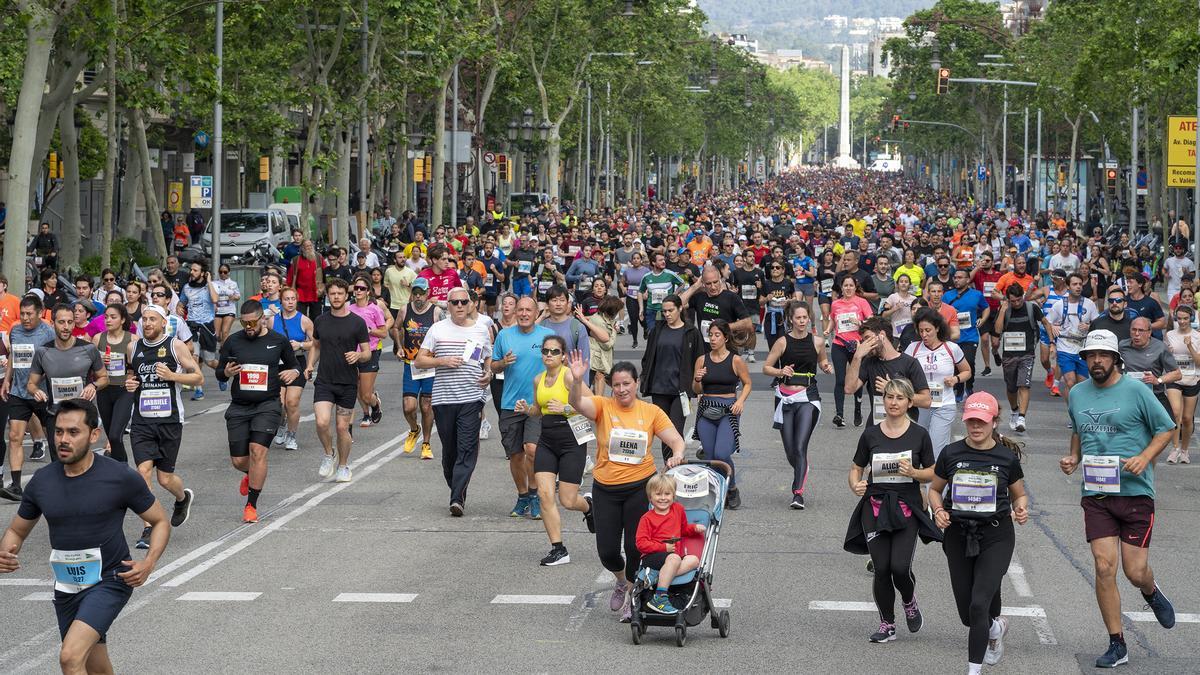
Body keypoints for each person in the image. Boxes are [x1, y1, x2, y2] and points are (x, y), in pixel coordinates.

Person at [0, 399, 170, 675]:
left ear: (94, 435)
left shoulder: (119, 477)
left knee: (70, 657)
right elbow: (17, 530)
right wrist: (7, 551)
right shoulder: (42, 481)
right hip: (67, 586)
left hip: (110, 581)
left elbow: (160, 520)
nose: (63, 439)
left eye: (73, 432)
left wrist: (148, 562)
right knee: (95, 665)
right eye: (58, 431)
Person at [1061, 330, 1177, 669]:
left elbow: (1166, 428)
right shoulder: (1077, 394)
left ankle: (1151, 591)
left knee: (1135, 570)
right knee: (1103, 565)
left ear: (1115, 358)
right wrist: (1073, 458)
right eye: (1090, 356)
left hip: (1135, 491)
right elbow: (1077, 430)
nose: (1096, 361)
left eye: (1103, 355)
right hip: (1096, 493)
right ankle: (1117, 643)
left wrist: (1144, 456)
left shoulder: (1136, 390)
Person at [566, 355, 686, 623]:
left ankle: (632, 597)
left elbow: (676, 440)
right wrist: (576, 380)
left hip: (640, 488)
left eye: (626, 384)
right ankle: (621, 580)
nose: (621, 389)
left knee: (634, 547)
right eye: (616, 385)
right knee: (608, 551)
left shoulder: (650, 412)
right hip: (605, 489)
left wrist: (677, 454)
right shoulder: (602, 406)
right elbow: (576, 403)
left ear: (637, 383)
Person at [928, 392, 1029, 675]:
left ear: (994, 422)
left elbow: (1019, 495)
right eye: (971, 421)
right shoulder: (951, 453)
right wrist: (938, 511)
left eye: (982, 422)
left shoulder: (1005, 458)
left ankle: (973, 670)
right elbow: (935, 490)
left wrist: (1021, 510)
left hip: (996, 535)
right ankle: (996, 627)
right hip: (958, 535)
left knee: (979, 604)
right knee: (968, 615)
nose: (975, 427)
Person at [844, 378, 940, 643]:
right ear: (883, 400)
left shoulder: (919, 434)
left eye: (899, 398)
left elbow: (933, 472)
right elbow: (856, 467)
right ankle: (887, 623)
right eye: (889, 397)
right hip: (874, 507)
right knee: (882, 568)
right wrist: (856, 485)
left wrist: (914, 472)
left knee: (899, 568)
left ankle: (909, 600)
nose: (893, 402)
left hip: (906, 507)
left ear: (910, 402)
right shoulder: (871, 434)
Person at [216, 300, 300, 523]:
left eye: (252, 322)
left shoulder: (278, 341)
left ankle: (251, 505)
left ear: (262, 318)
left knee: (257, 451)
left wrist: (293, 373)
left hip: (268, 405)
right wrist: (225, 372)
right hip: (239, 406)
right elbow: (219, 374)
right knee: (238, 460)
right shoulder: (233, 341)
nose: (248, 327)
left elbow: (295, 366)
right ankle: (250, 475)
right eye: (244, 323)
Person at [513, 335, 594, 566]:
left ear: (563, 356)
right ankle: (558, 549)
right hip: (547, 440)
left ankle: (588, 506)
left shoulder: (569, 376)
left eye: (555, 351)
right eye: (546, 351)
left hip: (571, 440)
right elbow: (539, 410)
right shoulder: (538, 379)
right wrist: (526, 409)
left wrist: (568, 407)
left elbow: (594, 404)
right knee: (545, 494)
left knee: (567, 500)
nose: (549, 355)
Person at [126, 304, 202, 549]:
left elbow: (197, 377)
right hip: (141, 421)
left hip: (169, 420)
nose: (147, 323)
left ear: (162, 323)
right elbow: (131, 376)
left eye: (152, 319)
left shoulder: (175, 346)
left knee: (165, 478)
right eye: (144, 319)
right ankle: (149, 527)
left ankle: (182, 498)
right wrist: (130, 384)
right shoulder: (133, 347)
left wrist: (173, 376)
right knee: (143, 472)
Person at [413, 286, 493, 516]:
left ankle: (457, 498)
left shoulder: (480, 330)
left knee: (467, 448)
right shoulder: (437, 330)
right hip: (444, 399)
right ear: (448, 306)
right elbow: (419, 361)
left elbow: (487, 356)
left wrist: (487, 373)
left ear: (470, 304)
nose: (459, 306)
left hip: (472, 397)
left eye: (463, 302)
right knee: (450, 452)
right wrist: (443, 361)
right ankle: (457, 489)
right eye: (454, 302)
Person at [764, 301, 832, 510]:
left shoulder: (818, 342)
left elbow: (821, 361)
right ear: (791, 319)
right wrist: (780, 371)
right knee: (790, 450)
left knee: (801, 446)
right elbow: (766, 367)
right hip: (784, 398)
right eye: (798, 318)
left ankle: (798, 493)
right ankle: (801, 468)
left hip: (808, 398)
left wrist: (825, 366)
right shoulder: (782, 342)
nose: (802, 321)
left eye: (805, 318)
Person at [492, 296, 554, 519]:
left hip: (537, 404)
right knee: (516, 455)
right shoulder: (504, 335)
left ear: (537, 312)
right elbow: (492, 365)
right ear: (515, 312)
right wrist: (502, 363)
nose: (524, 313)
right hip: (510, 403)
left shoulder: (546, 336)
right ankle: (523, 495)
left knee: (532, 449)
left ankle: (536, 495)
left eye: (529, 310)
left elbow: (557, 365)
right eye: (520, 310)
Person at [305, 278, 371, 483]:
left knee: (343, 428)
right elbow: (316, 345)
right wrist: (309, 365)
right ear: (328, 296)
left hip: (347, 382)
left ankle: (343, 465)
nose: (336, 297)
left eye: (340, 294)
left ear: (346, 296)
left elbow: (367, 352)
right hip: (325, 380)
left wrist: (358, 356)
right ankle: (328, 454)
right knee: (322, 422)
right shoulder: (321, 320)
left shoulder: (357, 322)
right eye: (332, 294)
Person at [27, 304, 110, 463]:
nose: (66, 327)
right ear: (53, 323)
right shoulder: (43, 352)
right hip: (55, 415)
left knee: (81, 462)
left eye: (70, 322)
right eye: (61, 322)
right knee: (58, 463)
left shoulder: (88, 349)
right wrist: (35, 391)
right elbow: (31, 384)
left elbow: (104, 378)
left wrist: (93, 385)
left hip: (81, 415)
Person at [691, 319, 751, 509]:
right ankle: (721, 489)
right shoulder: (702, 359)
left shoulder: (735, 360)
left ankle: (731, 488)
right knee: (710, 455)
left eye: (717, 335)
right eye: (711, 335)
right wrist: (698, 379)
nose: (713, 339)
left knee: (721, 453)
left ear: (725, 338)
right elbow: (696, 389)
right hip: (706, 408)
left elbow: (748, 383)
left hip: (728, 409)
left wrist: (740, 401)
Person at [0, 296, 55, 499]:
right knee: (15, 436)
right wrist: (7, 380)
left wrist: (37, 382)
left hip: (41, 393)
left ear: (39, 313)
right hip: (18, 393)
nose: (24, 318)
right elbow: (14, 355)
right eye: (22, 313)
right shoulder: (15, 330)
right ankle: (15, 486)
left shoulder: (48, 331)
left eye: (29, 314)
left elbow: (53, 360)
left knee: (54, 436)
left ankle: (64, 479)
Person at [639, 295, 701, 460]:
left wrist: (699, 387)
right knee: (664, 431)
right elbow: (647, 357)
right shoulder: (657, 330)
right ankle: (670, 467)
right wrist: (644, 377)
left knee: (675, 429)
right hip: (659, 388)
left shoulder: (691, 332)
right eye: (664, 311)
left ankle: (675, 463)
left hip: (682, 390)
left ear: (680, 309)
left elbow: (699, 360)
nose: (667, 314)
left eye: (670, 310)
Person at [635, 472, 705, 615]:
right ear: (650, 497)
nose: (663, 498)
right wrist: (663, 547)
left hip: (672, 559)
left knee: (694, 560)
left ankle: (657, 578)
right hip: (652, 557)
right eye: (658, 494)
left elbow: (683, 529)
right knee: (674, 558)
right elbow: (641, 543)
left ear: (673, 496)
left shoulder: (678, 509)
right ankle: (660, 597)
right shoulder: (647, 518)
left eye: (667, 494)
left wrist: (694, 528)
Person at [844, 316, 932, 427]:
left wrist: (892, 390)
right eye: (863, 340)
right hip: (876, 427)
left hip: (904, 429)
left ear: (882, 335)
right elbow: (849, 388)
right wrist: (857, 356)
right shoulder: (869, 362)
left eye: (867, 338)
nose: (865, 344)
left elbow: (926, 401)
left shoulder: (910, 363)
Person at [993, 283, 1054, 433]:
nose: (1016, 303)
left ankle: (1021, 417)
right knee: (1011, 387)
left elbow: (1046, 323)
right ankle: (1014, 410)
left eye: (1019, 300)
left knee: (1024, 385)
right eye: (1013, 301)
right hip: (1009, 355)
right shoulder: (1005, 310)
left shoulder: (1031, 308)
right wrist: (1003, 310)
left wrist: (1052, 342)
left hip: (1027, 354)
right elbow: (997, 330)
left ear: (1022, 297)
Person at [399, 278, 440, 460]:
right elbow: (396, 328)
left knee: (426, 406)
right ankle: (414, 429)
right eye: (415, 293)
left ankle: (426, 443)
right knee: (409, 407)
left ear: (428, 293)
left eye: (421, 293)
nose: (418, 297)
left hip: (429, 365)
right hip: (411, 365)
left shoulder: (436, 312)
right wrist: (399, 346)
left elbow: (443, 334)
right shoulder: (405, 310)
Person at [1045, 272, 1099, 411]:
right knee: (1070, 382)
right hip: (1065, 348)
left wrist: (1089, 326)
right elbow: (1047, 322)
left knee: (1082, 385)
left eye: (1080, 284)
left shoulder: (1090, 304)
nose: (1078, 287)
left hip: (1082, 349)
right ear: (1068, 286)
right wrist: (1053, 333)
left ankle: (1079, 411)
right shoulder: (1059, 305)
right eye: (1075, 284)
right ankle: (1074, 414)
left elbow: (1097, 323)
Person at [825, 275, 874, 428]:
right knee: (840, 380)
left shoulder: (862, 302)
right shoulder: (836, 304)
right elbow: (833, 319)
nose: (848, 288)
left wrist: (859, 323)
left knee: (856, 380)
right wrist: (828, 329)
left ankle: (858, 409)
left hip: (857, 345)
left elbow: (871, 321)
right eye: (845, 285)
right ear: (841, 287)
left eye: (850, 285)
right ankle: (839, 414)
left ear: (855, 287)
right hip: (839, 343)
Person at [268, 287, 313, 451]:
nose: (290, 302)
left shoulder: (304, 320)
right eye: (287, 299)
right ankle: (281, 424)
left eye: (293, 299)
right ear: (281, 301)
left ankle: (292, 436)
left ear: (297, 300)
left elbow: (315, 343)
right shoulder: (273, 320)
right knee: (279, 403)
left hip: (296, 363)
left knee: (292, 402)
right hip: (278, 365)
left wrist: (300, 345)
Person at [93, 304, 136, 464]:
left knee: (114, 435)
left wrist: (130, 374)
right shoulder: (98, 338)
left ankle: (122, 468)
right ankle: (119, 467)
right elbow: (92, 368)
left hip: (124, 391)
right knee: (112, 434)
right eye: (106, 317)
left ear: (122, 319)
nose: (108, 320)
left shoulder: (132, 339)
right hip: (104, 390)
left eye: (113, 317)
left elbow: (136, 368)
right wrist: (100, 362)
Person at [348, 274, 390, 427]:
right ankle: (355, 423)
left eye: (362, 288)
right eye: (356, 288)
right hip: (352, 353)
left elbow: (384, 333)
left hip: (370, 352)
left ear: (368, 292)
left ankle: (375, 403)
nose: (358, 291)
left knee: (366, 395)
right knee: (354, 389)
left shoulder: (374, 309)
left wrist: (370, 330)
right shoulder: (348, 308)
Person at [943, 268, 991, 400]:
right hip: (952, 336)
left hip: (970, 336)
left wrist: (983, 319)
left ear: (967, 280)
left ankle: (969, 386)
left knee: (968, 361)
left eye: (960, 277)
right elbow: (941, 312)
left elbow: (986, 307)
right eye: (955, 277)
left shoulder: (976, 295)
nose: (956, 280)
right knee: (956, 364)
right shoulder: (947, 295)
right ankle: (958, 390)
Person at [1164, 305, 1200, 463]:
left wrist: (1189, 345)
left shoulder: (1197, 336)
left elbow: (1199, 362)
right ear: (1176, 319)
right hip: (1175, 378)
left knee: (1186, 418)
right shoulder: (1169, 334)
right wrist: (1169, 353)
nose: (1183, 321)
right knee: (1175, 413)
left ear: (1191, 319)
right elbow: (1165, 358)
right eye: (1180, 318)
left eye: (1186, 318)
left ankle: (1184, 450)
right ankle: (1175, 448)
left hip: (1192, 378)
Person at [180, 262, 220, 400]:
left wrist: (209, 281)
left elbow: (215, 299)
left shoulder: (210, 286)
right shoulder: (186, 287)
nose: (192, 272)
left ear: (203, 273)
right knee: (193, 357)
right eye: (191, 269)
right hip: (191, 326)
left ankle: (222, 374)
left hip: (207, 326)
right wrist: (179, 308)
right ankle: (199, 390)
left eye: (195, 270)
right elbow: (182, 303)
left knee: (210, 361)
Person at [587, 296, 622, 396]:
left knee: (597, 378)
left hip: (597, 355)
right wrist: (614, 332)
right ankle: (598, 403)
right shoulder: (600, 322)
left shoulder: (600, 317)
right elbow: (607, 344)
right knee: (597, 378)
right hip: (598, 355)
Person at [383, 249, 416, 355]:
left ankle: (399, 347)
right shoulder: (389, 271)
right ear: (394, 259)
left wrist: (408, 285)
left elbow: (418, 288)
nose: (403, 259)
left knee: (404, 329)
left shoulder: (410, 272)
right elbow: (385, 285)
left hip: (405, 305)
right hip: (392, 304)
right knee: (392, 330)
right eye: (400, 257)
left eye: (404, 257)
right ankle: (398, 344)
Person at [287, 239, 325, 320]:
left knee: (316, 318)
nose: (309, 247)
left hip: (316, 292)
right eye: (306, 246)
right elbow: (290, 277)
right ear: (302, 248)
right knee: (300, 317)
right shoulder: (296, 260)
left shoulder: (319, 258)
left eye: (310, 245)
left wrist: (324, 287)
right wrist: (290, 290)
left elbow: (325, 273)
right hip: (300, 293)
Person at [213, 264, 241, 344]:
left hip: (229, 310)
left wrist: (234, 297)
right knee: (217, 335)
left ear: (229, 272)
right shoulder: (214, 283)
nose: (222, 274)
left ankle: (224, 352)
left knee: (225, 332)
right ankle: (219, 347)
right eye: (220, 272)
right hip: (218, 311)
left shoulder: (233, 284)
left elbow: (238, 296)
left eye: (225, 272)